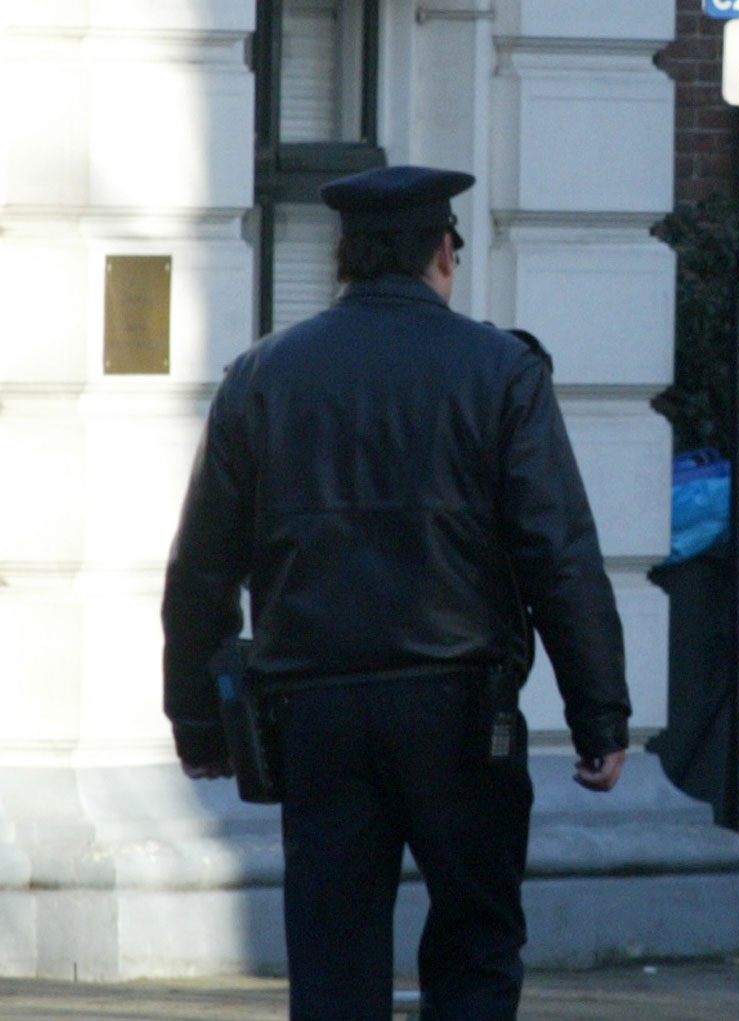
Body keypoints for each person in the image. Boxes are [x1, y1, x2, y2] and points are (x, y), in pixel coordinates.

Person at [162, 165, 631, 1020]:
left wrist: (198, 719)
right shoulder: (501, 372)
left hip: (316, 710)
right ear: (443, 254)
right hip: (462, 710)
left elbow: (200, 570)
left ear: (345, 258)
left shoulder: (261, 376)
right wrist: (599, 714)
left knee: (333, 954)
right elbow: (558, 552)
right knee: (477, 941)